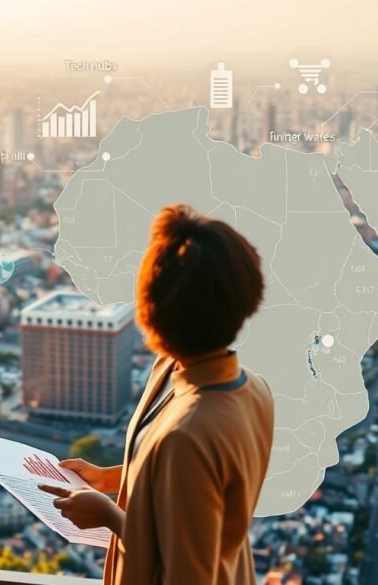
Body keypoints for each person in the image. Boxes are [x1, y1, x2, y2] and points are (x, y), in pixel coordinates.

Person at [40, 204, 274, 584]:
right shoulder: (247, 388)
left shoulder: (188, 433)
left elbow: (186, 572)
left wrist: (108, 516)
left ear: (152, 308)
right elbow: (194, 493)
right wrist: (109, 479)